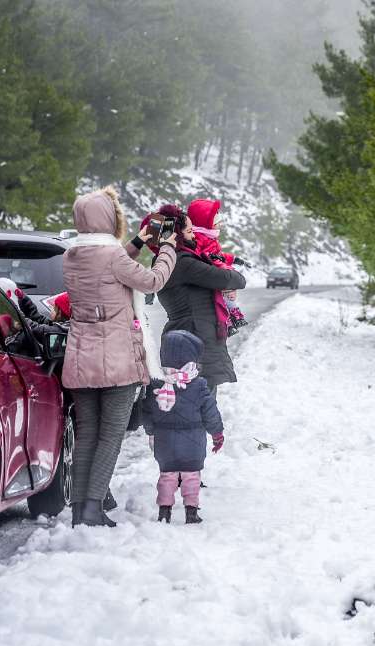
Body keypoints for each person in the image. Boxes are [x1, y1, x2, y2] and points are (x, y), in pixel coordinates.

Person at [62, 186, 178, 527]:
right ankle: (94, 508)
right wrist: (167, 247)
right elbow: (153, 280)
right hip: (116, 361)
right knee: (110, 436)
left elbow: (109, 266)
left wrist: (139, 242)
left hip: (81, 359)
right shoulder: (113, 258)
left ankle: (79, 508)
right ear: (109, 219)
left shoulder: (71, 256)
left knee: (86, 435)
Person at [157, 200, 247, 393]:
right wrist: (230, 279)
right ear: (177, 235)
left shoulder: (169, 259)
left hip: (189, 337)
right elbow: (231, 278)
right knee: (199, 404)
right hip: (195, 340)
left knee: (194, 404)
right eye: (190, 231)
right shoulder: (184, 263)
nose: (194, 236)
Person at [143, 330, 224, 524]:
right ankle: (191, 511)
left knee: (167, 476)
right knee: (191, 477)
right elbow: (210, 412)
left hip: (165, 443)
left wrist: (151, 431)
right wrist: (217, 434)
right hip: (193, 442)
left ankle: (164, 511)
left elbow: (147, 412)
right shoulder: (199, 385)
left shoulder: (157, 384)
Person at [186, 199, 247, 337]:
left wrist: (232, 259)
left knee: (225, 297)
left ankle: (231, 318)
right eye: (215, 220)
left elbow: (219, 255)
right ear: (205, 220)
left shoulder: (209, 236)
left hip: (216, 270)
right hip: (212, 273)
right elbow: (206, 255)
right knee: (220, 299)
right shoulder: (200, 237)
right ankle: (228, 322)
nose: (219, 224)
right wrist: (221, 265)